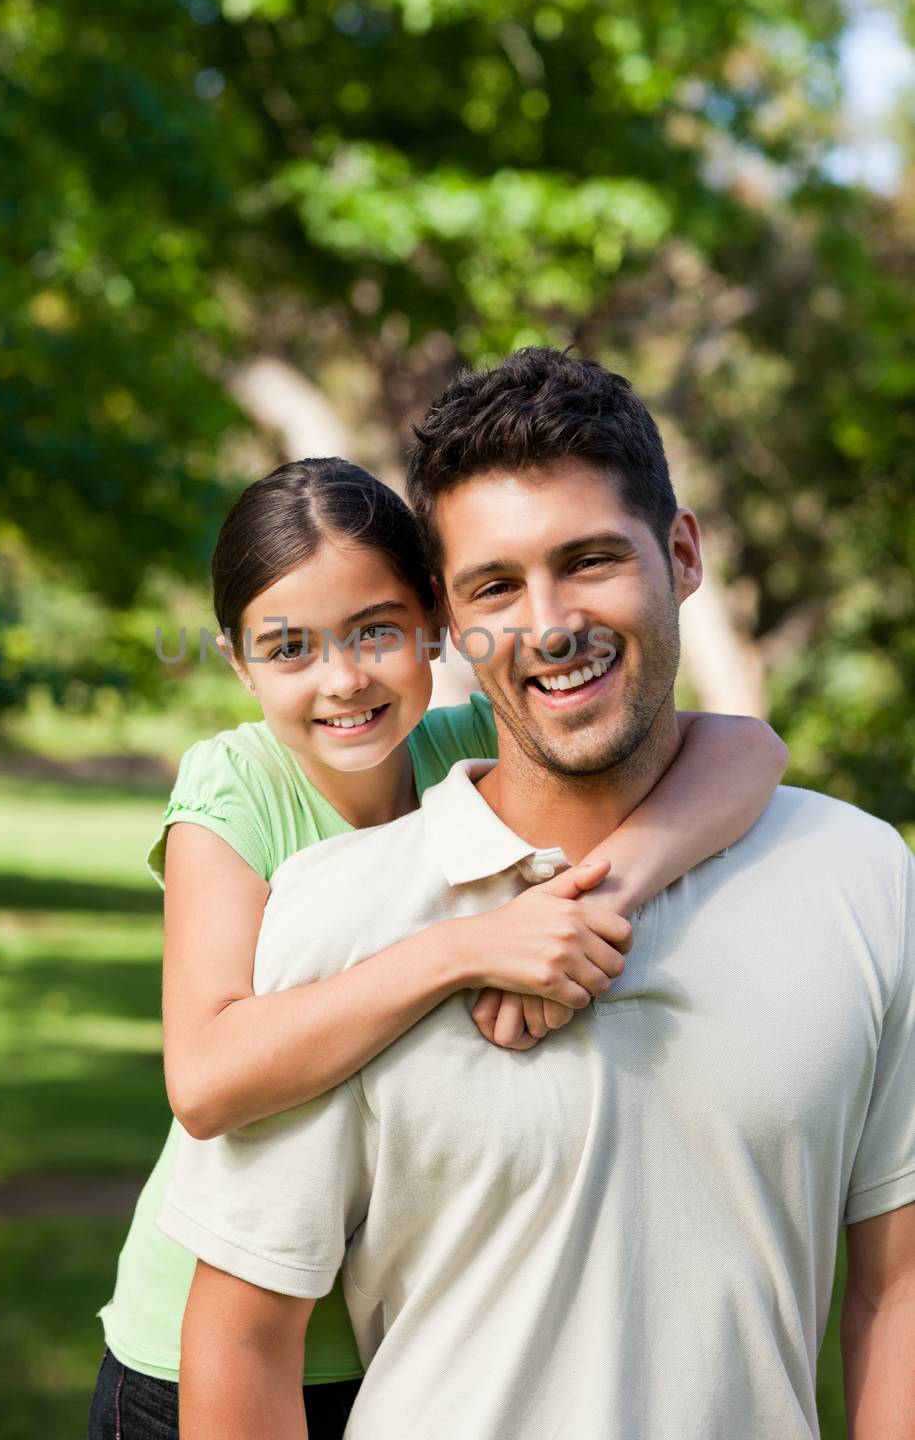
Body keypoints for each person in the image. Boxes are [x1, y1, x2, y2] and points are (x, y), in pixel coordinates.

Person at [162, 347, 915, 1440]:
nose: (548, 624)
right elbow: (241, 1340)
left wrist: (600, 895)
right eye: (494, 587)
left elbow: (894, 1287)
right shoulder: (324, 909)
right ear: (450, 617)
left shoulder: (859, 877)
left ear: (682, 552)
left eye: (590, 559)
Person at [89, 452, 789, 1440]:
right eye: (287, 648)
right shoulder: (234, 787)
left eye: (374, 632)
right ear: (238, 661)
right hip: (201, 1356)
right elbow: (205, 1078)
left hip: (391, 1340)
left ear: (431, 624)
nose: (341, 680)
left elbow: (745, 748)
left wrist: (608, 891)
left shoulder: (453, 745)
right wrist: (463, 949)